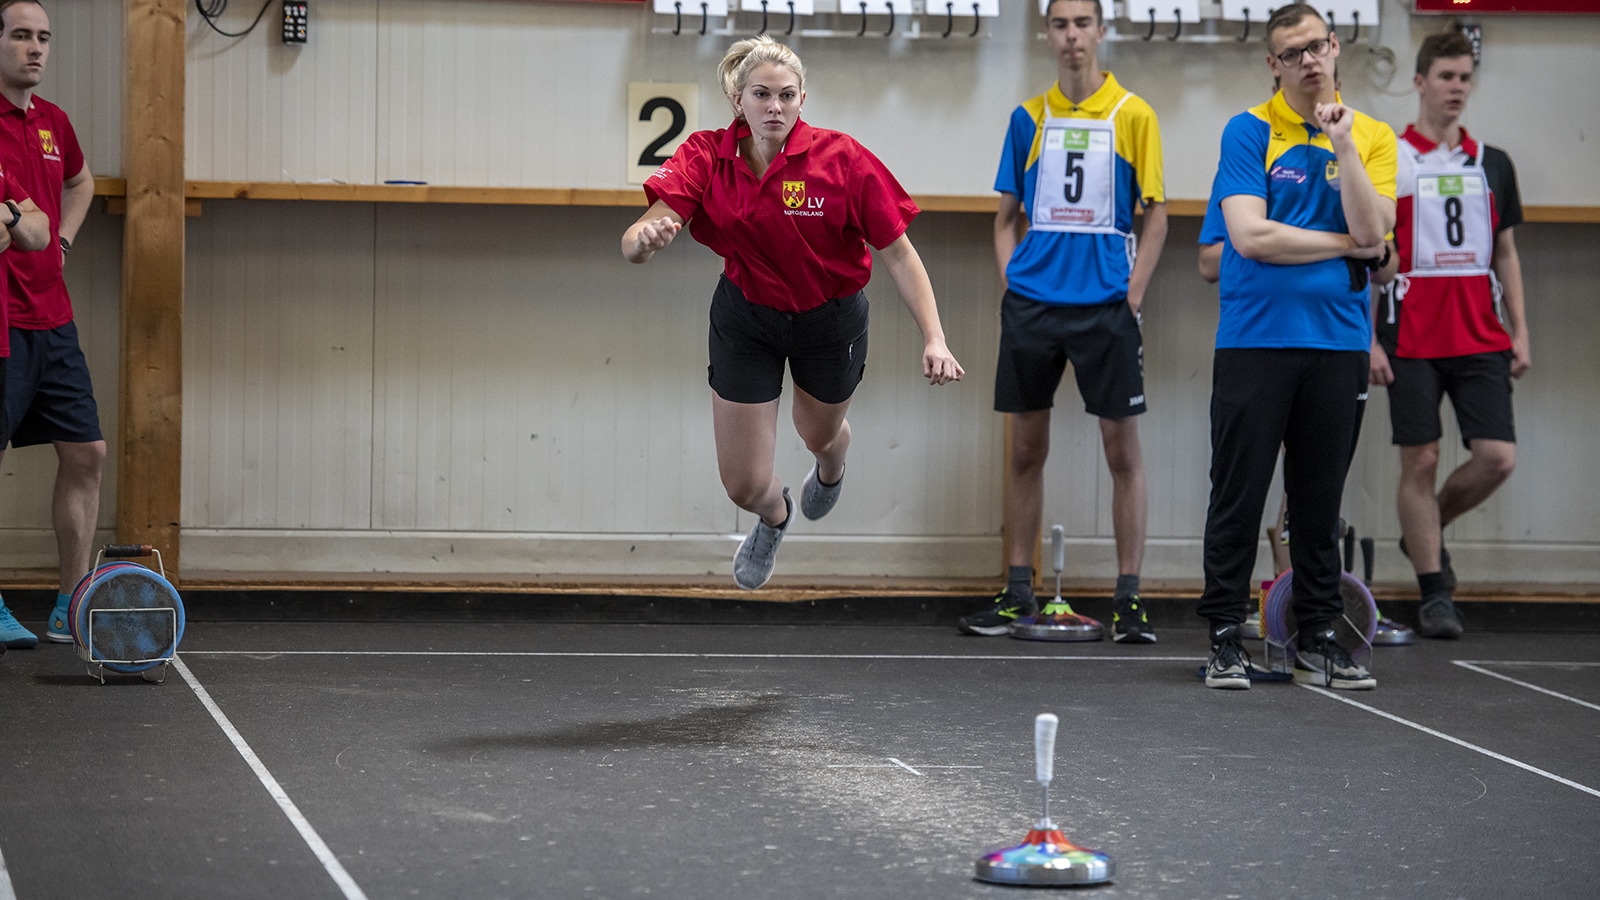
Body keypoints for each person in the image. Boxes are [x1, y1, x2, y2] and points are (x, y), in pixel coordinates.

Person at [621, 35, 963, 591]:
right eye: (761, 94)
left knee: (817, 434)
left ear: (803, 100)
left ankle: (833, 467)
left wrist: (935, 338)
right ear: (739, 100)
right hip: (746, 317)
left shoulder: (842, 159)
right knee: (743, 485)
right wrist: (644, 240)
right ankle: (776, 516)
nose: (773, 107)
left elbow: (899, 252)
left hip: (829, 323)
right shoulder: (707, 154)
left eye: (786, 96)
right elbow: (638, 238)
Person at [1199, 3, 1395, 689]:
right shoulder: (1248, 132)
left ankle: (1317, 635)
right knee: (1239, 492)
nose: (1308, 60)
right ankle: (1225, 636)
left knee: (1319, 500)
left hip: (1337, 345)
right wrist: (1351, 247)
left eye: (1317, 47)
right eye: (1292, 53)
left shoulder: (1371, 137)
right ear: (1273, 64)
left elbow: (1382, 227)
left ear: (1336, 48)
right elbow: (1251, 239)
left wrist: (1342, 146)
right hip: (1256, 338)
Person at [958, 0, 1166, 643]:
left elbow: (1155, 215)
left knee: (1122, 451)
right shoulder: (1028, 118)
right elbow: (1004, 218)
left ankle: (1129, 599)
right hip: (1034, 306)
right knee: (1025, 448)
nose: (1072, 35)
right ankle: (1018, 589)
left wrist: (1131, 294)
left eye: (1082, 23)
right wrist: (1012, 282)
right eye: (1060, 24)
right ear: (1047, 34)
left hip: (1105, 308)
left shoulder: (1135, 115)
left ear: (1101, 31)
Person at [1369, 31, 1529, 640]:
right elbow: (1370, 250)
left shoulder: (1493, 163)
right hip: (1410, 331)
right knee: (1424, 457)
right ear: (1419, 82)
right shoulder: (1393, 159)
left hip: (1479, 332)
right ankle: (1436, 591)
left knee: (1496, 458)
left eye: (1465, 77)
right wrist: (1369, 339)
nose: (1456, 88)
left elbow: (1506, 253)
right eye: (1445, 77)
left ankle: (1422, 535)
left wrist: (1521, 331)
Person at [0, 0, 101, 647]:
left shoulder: (53, 122)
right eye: (19, 36)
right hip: (3, 322)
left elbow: (81, 182)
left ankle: (71, 602)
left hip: (53, 319)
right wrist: (21, 226)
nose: (34, 49)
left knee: (86, 454)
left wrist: (59, 241)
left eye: (42, 38)